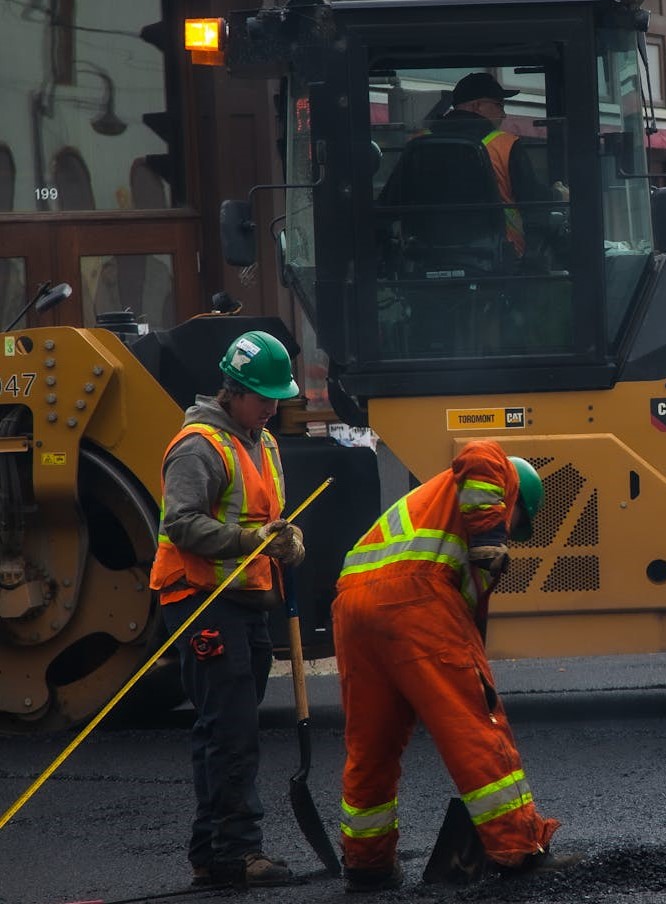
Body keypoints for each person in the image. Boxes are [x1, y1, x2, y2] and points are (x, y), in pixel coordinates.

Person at [332, 439, 578, 891]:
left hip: (353, 605)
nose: (512, 529)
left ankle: (368, 864)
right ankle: (518, 848)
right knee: (474, 726)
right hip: (415, 600)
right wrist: (489, 535)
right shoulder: (496, 474)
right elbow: (480, 451)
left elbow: (469, 622)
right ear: (513, 498)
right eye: (517, 520)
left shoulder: (430, 513)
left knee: (372, 744)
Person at [149, 330, 306, 888]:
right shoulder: (199, 446)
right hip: (199, 600)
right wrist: (252, 542)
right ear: (233, 390)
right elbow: (181, 523)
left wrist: (284, 538)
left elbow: (261, 517)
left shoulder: (260, 440)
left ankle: (215, 855)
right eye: (263, 396)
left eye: (275, 397)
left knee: (228, 727)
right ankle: (236, 854)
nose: (272, 406)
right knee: (231, 729)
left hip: (241, 599)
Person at [434, 72, 569, 256]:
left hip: (428, 257)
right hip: (499, 257)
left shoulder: (418, 143)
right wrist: (558, 195)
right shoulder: (504, 145)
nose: (504, 114)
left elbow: (392, 202)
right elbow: (532, 198)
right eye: (499, 105)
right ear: (477, 106)